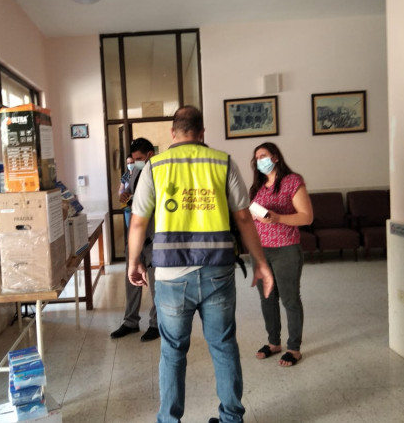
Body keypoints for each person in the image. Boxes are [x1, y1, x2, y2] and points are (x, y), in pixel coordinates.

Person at [127, 106, 274, 423]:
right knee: (223, 345)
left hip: (170, 275)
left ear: (173, 132)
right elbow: (244, 218)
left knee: (172, 351)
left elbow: (138, 222)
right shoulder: (222, 162)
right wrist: (260, 262)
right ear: (202, 132)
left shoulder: (155, 165)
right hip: (217, 271)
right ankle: (232, 418)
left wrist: (133, 262)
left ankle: (169, 420)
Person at [249, 142, 313, 367]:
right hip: (260, 251)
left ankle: (294, 348)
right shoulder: (258, 186)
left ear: (275, 157)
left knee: (290, 299)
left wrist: (277, 218)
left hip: (286, 249)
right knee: (267, 298)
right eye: (257, 158)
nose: (259, 160)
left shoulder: (292, 181)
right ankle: (273, 342)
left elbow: (306, 216)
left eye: (263, 156)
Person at [110, 138, 159, 342]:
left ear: (149, 155)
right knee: (132, 280)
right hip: (136, 235)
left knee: (155, 282)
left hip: (154, 235)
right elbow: (129, 194)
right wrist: (125, 196)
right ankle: (130, 321)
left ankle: (156, 324)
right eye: (133, 158)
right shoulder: (135, 172)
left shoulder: (160, 172)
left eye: (139, 158)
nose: (135, 162)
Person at [119, 156, 135, 228]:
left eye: (132, 162)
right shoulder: (125, 176)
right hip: (128, 206)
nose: (130, 165)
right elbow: (121, 190)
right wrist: (123, 195)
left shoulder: (141, 174)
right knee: (129, 227)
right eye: (128, 163)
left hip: (138, 206)